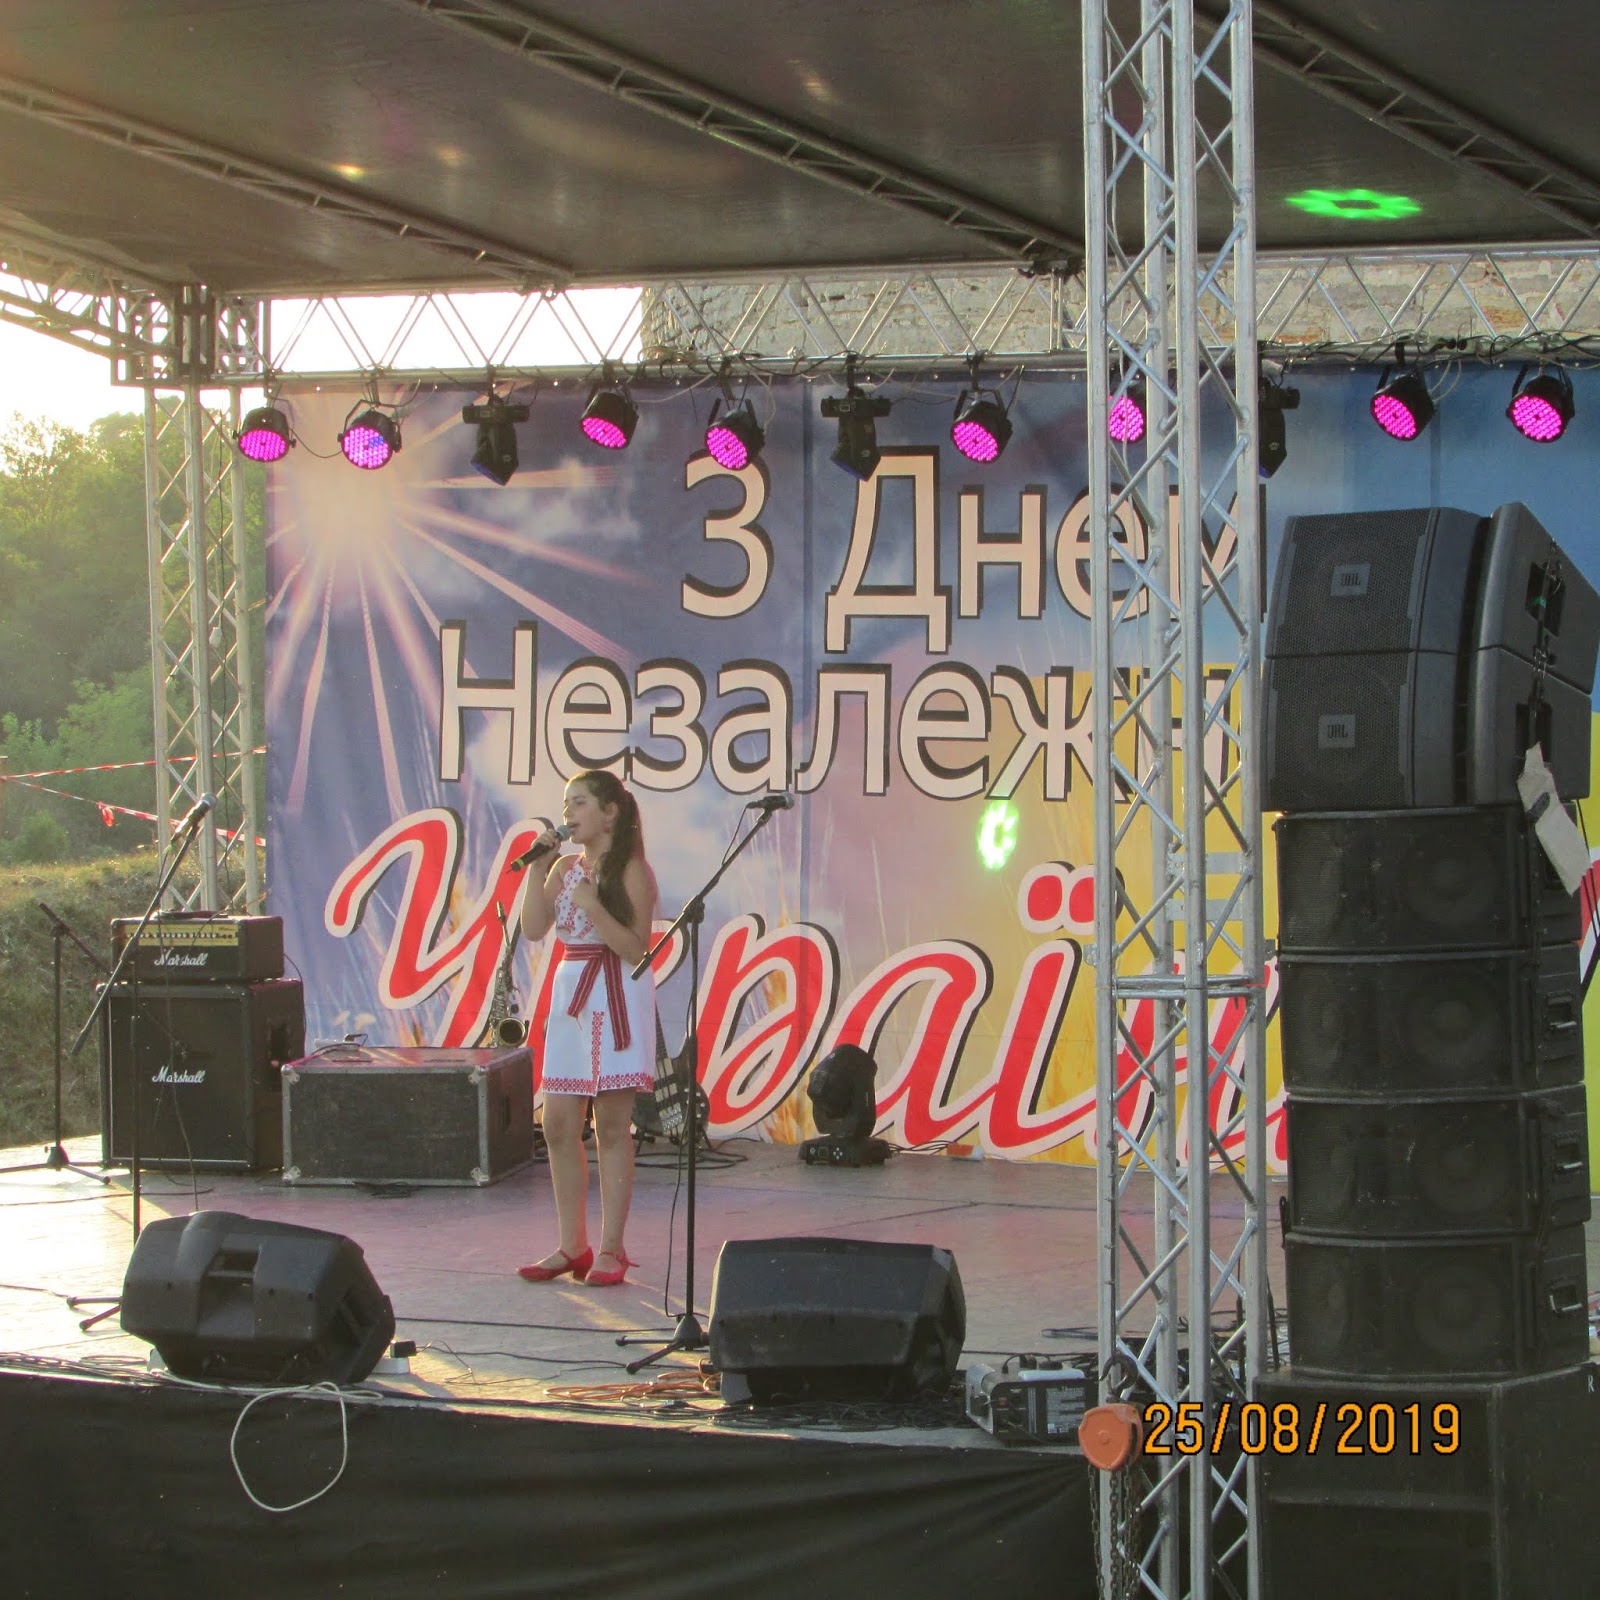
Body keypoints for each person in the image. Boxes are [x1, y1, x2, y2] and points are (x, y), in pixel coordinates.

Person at [517, 769, 658, 1288]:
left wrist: (594, 905)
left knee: (612, 1127)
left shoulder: (632, 870)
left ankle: (612, 1248)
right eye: (566, 804)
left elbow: (636, 950)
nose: (569, 813)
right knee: (558, 1124)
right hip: (570, 992)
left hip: (615, 991)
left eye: (579, 803)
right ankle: (572, 1246)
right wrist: (537, 869)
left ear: (610, 812)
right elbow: (535, 927)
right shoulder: (563, 867)